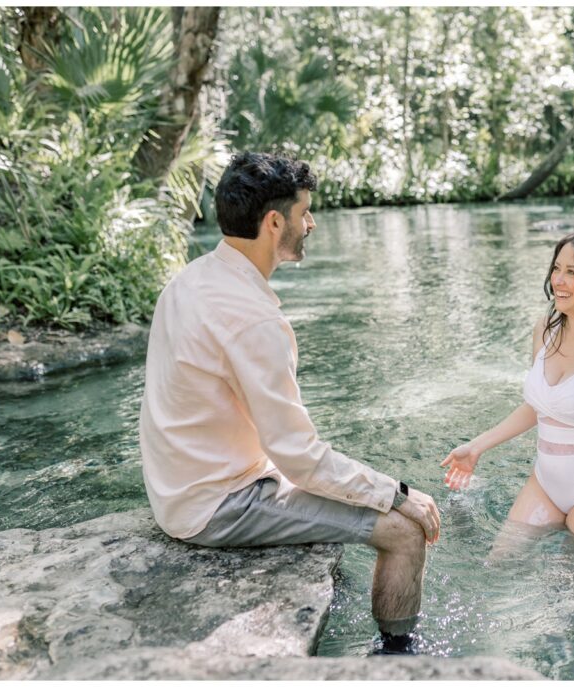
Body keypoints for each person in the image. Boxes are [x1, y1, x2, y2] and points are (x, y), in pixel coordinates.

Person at [139, 152, 440, 653]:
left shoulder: (189, 279)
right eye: (304, 213)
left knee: (365, 493)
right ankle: (398, 658)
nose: (311, 223)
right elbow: (297, 458)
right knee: (405, 531)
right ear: (275, 222)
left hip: (178, 485)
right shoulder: (254, 320)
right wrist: (399, 492)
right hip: (217, 504)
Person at [441, 231, 574, 553]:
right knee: (499, 565)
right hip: (546, 482)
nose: (559, 281)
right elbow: (539, 407)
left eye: (572, 272)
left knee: (572, 593)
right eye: (556, 268)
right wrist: (477, 446)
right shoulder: (545, 330)